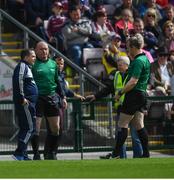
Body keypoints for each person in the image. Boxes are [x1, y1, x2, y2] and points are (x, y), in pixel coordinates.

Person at [86, 56, 143, 158]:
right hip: (121, 109)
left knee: (135, 136)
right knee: (120, 135)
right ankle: (121, 157)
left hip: (134, 108)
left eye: (120, 65)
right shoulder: (116, 74)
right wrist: (96, 96)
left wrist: (144, 107)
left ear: (127, 65)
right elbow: (108, 89)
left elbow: (141, 91)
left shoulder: (133, 75)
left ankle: (139, 157)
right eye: (118, 65)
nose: (118, 67)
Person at [111, 33, 150, 158]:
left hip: (133, 95)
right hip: (142, 95)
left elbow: (133, 81)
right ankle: (146, 153)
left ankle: (116, 154)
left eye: (128, 48)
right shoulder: (145, 59)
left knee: (122, 124)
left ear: (134, 47)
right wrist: (127, 36)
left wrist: (120, 92)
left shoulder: (138, 61)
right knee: (139, 125)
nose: (128, 51)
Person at [31, 41, 67, 160]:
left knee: (56, 128)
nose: (44, 51)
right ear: (35, 51)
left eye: (46, 49)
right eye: (41, 49)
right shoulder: (32, 65)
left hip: (52, 98)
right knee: (36, 128)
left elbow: (57, 82)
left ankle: (50, 153)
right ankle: (36, 154)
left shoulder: (53, 64)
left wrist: (63, 97)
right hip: (37, 99)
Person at [53, 56, 85, 150]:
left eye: (61, 64)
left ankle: (53, 151)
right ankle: (51, 150)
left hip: (60, 103)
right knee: (55, 128)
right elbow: (58, 89)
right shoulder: (51, 74)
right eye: (57, 64)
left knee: (59, 128)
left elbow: (64, 89)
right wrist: (63, 97)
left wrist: (75, 95)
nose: (59, 66)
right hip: (53, 102)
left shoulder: (62, 74)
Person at [12, 49, 38, 160]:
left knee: (25, 128)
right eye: (33, 56)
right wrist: (22, 97)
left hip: (29, 102)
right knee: (30, 128)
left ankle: (23, 154)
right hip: (25, 103)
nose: (35, 58)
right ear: (26, 57)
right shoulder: (22, 66)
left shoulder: (27, 67)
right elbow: (18, 81)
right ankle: (18, 153)